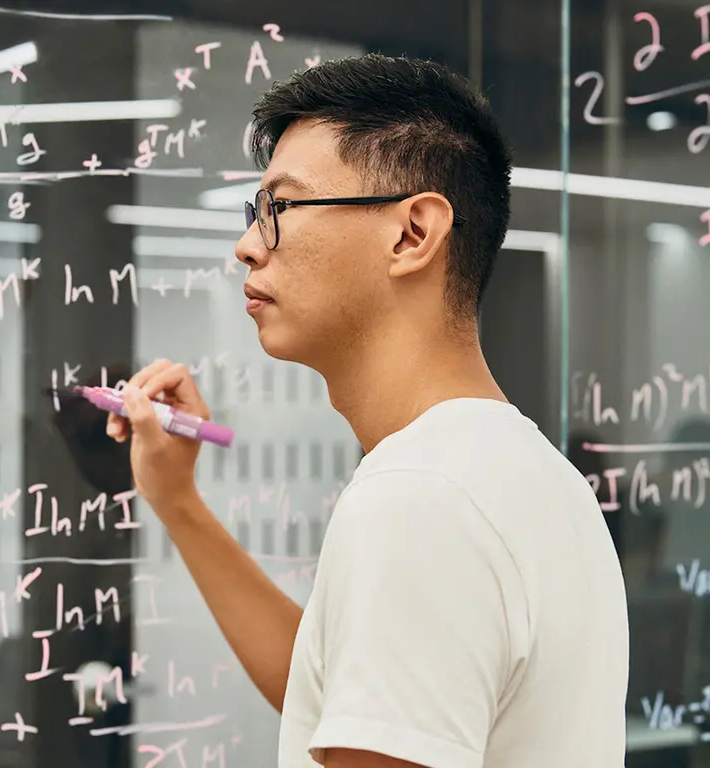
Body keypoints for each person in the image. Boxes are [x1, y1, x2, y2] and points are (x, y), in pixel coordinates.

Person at [107, 54, 629, 768]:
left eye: (279, 209)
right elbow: (337, 690)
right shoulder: (525, 476)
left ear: (413, 233)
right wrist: (179, 502)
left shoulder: (421, 498)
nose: (247, 245)